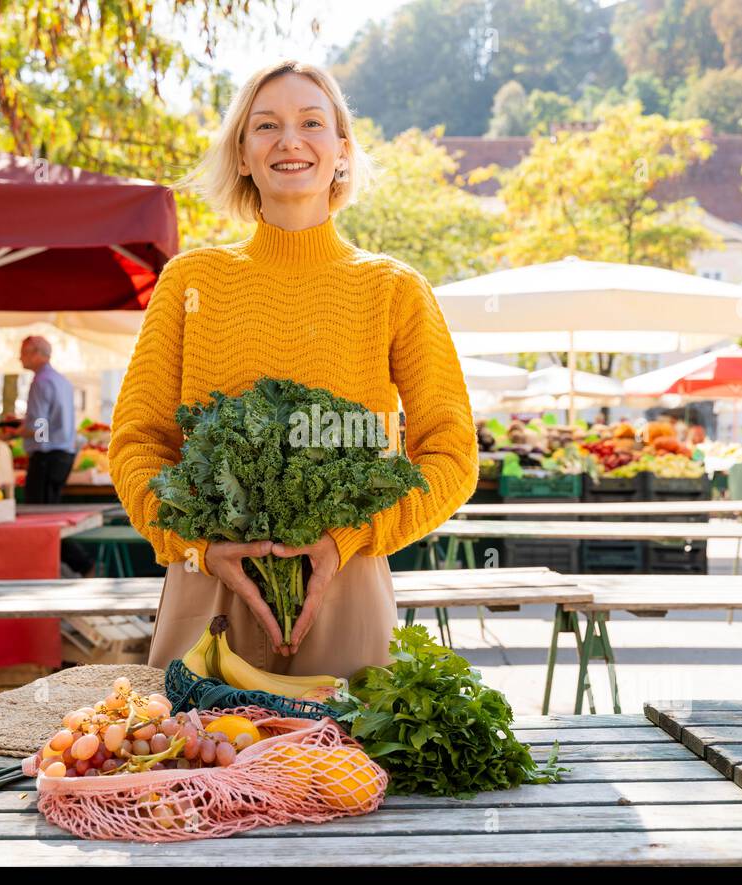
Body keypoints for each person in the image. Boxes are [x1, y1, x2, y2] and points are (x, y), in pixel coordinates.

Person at [110, 60, 477, 679]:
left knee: (354, 771)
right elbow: (137, 443)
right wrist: (196, 545)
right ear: (243, 156)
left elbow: (453, 453)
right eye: (266, 126)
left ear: (341, 151)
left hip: (346, 585)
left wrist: (352, 537)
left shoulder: (394, 289)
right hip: (208, 589)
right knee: (197, 773)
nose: (289, 140)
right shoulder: (189, 282)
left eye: (312, 122)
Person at [11, 336, 95, 575]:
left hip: (47, 457)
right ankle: (71, 565)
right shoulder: (61, 381)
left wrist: (17, 433)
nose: (20, 358)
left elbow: (40, 427)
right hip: (63, 455)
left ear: (36, 353)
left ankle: (79, 564)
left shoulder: (41, 381)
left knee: (41, 520)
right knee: (49, 516)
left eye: (23, 353)